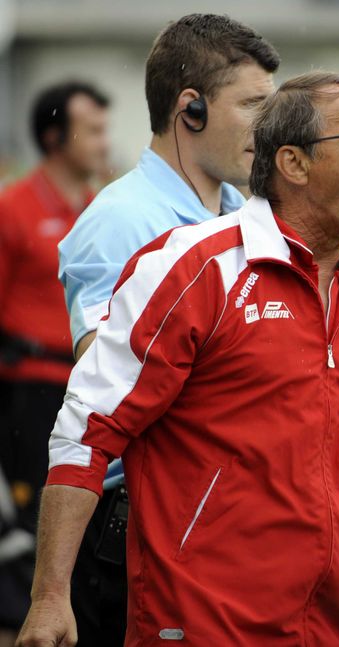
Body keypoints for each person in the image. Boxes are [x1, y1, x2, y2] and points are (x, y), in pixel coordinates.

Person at [17, 68, 339, 647]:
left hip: (336, 632)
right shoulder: (193, 266)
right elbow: (87, 431)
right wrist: (51, 596)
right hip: (203, 627)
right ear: (295, 164)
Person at [54, 14, 280, 647]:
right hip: (141, 530)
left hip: (222, 520)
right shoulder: (120, 220)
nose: (269, 126)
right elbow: (103, 383)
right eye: (254, 105)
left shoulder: (242, 212)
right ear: (192, 109)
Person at [0, 81, 110, 645]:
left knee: (87, 522)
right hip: (31, 390)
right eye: (91, 129)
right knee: (27, 527)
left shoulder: (98, 208)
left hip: (91, 390)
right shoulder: (13, 207)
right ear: (53, 136)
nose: (104, 141)